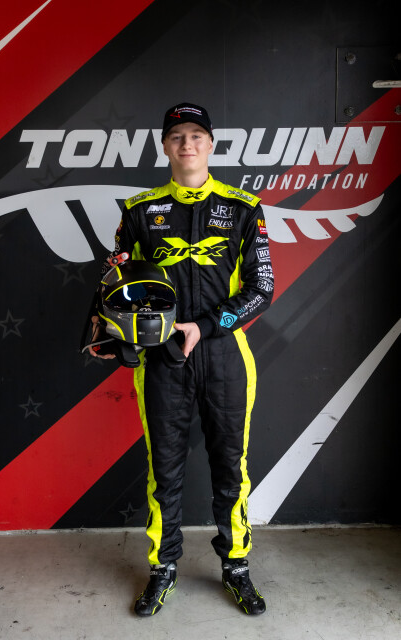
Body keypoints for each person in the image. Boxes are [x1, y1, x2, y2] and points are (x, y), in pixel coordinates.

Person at [89, 102, 274, 616]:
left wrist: (205, 325)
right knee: (163, 471)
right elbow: (115, 281)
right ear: (165, 147)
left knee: (230, 468)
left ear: (210, 144)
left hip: (225, 356)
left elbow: (263, 288)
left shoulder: (244, 207)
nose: (187, 143)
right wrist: (117, 328)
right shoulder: (139, 210)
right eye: (177, 136)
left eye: (196, 135)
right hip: (163, 360)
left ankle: (236, 566)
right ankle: (162, 568)